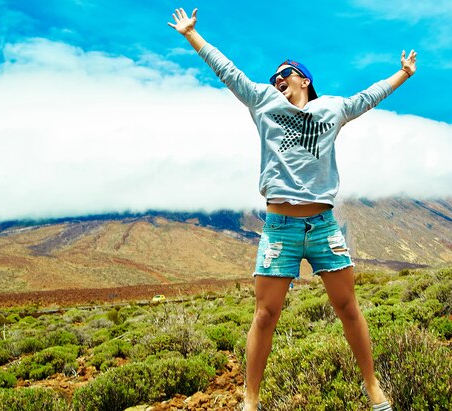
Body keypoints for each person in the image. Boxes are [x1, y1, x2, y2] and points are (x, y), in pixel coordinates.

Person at [168, 7, 417, 411]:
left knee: (348, 309)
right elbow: (228, 71)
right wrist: (192, 36)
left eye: (284, 74)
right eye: (274, 77)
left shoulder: (332, 109)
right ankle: (250, 401)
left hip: (323, 226)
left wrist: (403, 74)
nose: (277, 80)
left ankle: (373, 388)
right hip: (280, 227)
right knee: (265, 315)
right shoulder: (263, 100)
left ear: (304, 78)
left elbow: (369, 97)